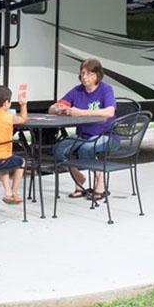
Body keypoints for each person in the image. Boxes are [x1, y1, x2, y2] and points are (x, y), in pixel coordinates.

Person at [49, 58, 117, 201]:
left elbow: (110, 112)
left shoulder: (106, 89)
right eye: (83, 74)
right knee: (58, 150)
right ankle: (78, 178)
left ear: (98, 75)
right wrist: (58, 108)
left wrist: (81, 112)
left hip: (107, 135)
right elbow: (52, 109)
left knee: (86, 149)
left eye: (89, 74)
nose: (85, 77)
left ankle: (100, 182)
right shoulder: (77, 91)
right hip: (83, 135)